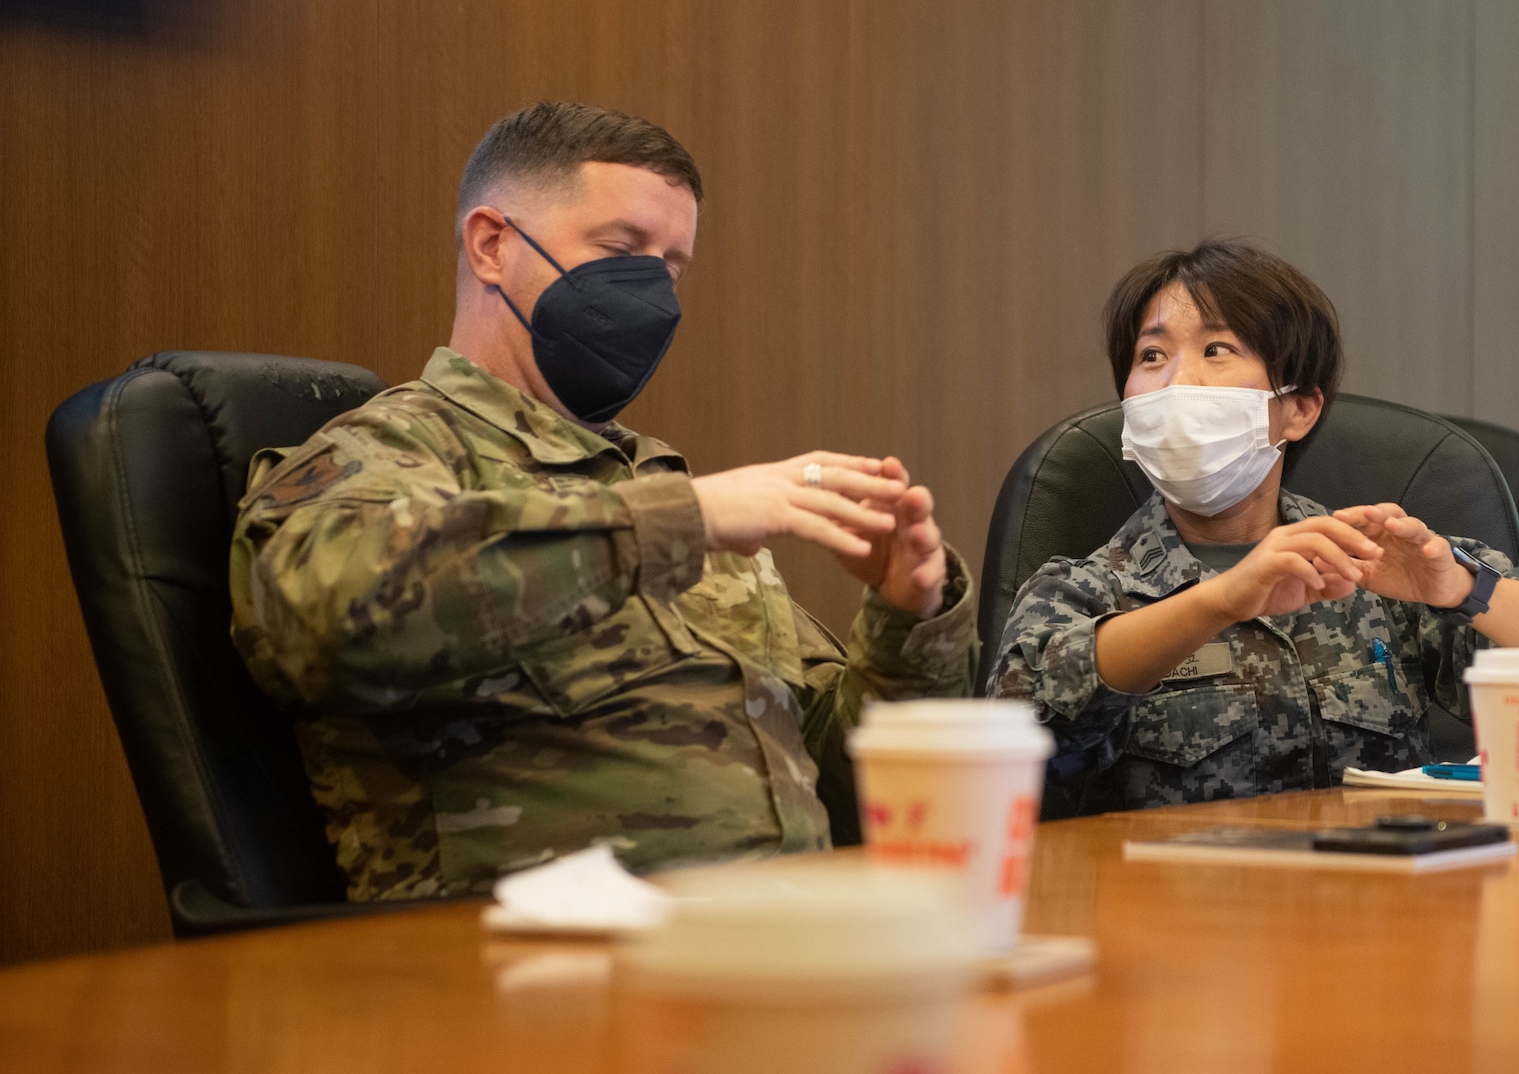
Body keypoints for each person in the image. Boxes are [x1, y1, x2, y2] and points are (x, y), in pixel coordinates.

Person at [230, 102, 977, 900]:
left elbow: (845, 793)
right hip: (528, 970)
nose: (650, 292)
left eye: (672, 267)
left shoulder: (666, 488)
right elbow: (325, 621)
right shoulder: (394, 453)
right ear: (491, 245)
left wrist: (904, 623)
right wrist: (683, 522)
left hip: (784, 937)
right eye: (621, 250)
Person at [988, 240, 1519, 815]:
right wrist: (1219, 599)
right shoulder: (1082, 589)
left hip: (1389, 912)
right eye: (1151, 355)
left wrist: (1462, 588)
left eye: (1217, 349)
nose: (1178, 381)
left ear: (1297, 409)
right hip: (1180, 924)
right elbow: (1019, 731)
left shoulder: (1368, 560)